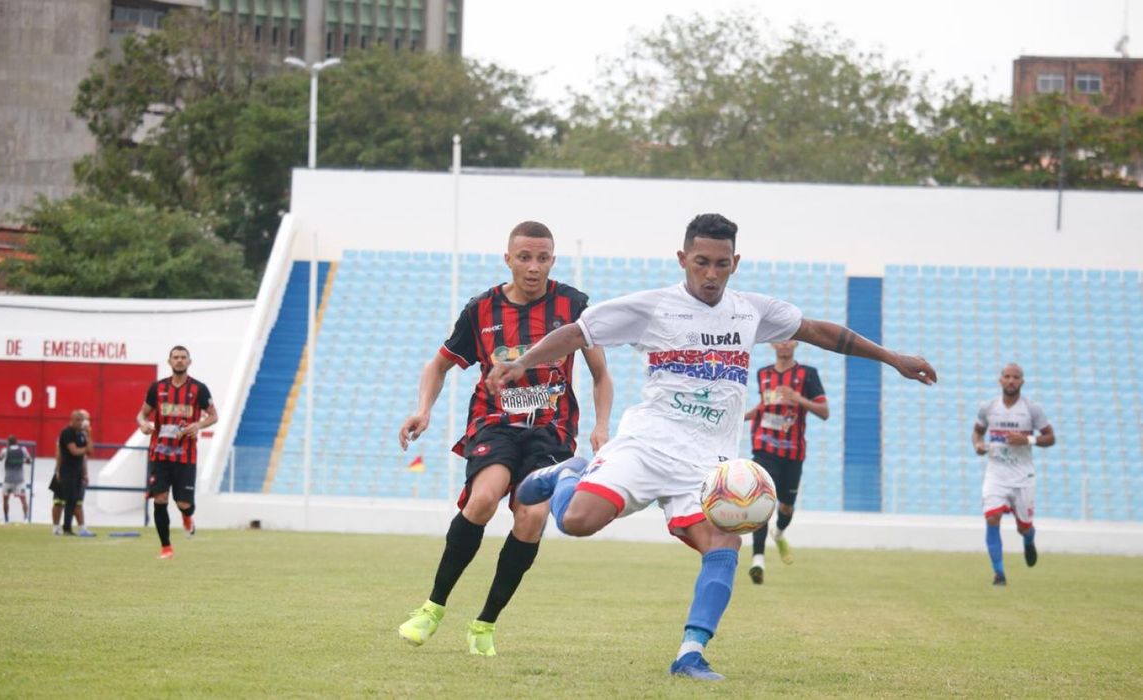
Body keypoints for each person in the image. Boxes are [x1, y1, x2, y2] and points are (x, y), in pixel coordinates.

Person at [491, 213, 936, 681]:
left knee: (725, 543)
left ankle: (691, 653)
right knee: (578, 522)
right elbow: (578, 332)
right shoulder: (652, 307)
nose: (710, 274)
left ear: (735, 263)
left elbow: (820, 332)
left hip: (707, 465)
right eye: (700, 262)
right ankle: (567, 474)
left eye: (721, 264)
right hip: (647, 444)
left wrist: (892, 358)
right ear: (683, 259)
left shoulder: (751, 311)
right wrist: (525, 362)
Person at [396, 220, 613, 657]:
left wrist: (601, 426)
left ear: (552, 259)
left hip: (552, 430)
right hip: (493, 423)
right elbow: (437, 365)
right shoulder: (481, 310)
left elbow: (601, 374)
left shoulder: (574, 305)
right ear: (508, 258)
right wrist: (424, 409)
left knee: (530, 519)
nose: (534, 267)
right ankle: (432, 608)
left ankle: (485, 624)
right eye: (525, 257)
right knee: (482, 501)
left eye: (543, 258)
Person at [742, 340, 829, 584]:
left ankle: (779, 533)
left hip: (793, 452)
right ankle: (757, 560)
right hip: (764, 448)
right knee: (761, 502)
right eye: (779, 340)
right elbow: (764, 407)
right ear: (772, 344)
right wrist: (740, 417)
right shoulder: (763, 374)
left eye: (789, 340)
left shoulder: (808, 374)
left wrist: (797, 398)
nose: (784, 345)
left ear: (796, 343)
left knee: (786, 507)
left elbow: (824, 412)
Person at [972, 363, 1054, 586]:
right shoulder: (988, 407)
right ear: (1000, 380)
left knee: (1023, 526)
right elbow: (977, 431)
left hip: (1022, 476)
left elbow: (1050, 437)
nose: (1010, 381)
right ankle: (999, 574)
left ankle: (1029, 539)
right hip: (996, 474)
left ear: (1022, 382)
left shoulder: (1032, 409)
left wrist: (1028, 439)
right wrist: (978, 444)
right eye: (1007, 376)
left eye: (1015, 377)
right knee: (992, 517)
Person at [138, 345, 218, 560]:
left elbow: (213, 416)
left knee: (184, 503)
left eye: (183, 357)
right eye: (176, 357)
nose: (180, 361)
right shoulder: (157, 388)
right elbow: (142, 415)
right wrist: (143, 425)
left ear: (189, 362)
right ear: (169, 361)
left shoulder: (199, 389)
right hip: (159, 454)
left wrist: (198, 425)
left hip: (186, 456)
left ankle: (186, 517)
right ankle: (166, 547)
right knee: (160, 499)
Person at [54, 410, 93, 536]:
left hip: (78, 472)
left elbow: (90, 450)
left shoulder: (82, 434)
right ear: (71, 419)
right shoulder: (67, 433)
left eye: (82, 420)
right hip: (67, 470)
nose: (80, 423)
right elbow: (74, 451)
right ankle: (64, 527)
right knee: (65, 500)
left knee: (75, 500)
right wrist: (57, 470)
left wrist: (88, 434)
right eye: (78, 420)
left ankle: (68, 527)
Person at [0, 435, 33, 524]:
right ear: (16, 442)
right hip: (19, 480)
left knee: (5, 499)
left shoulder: (5, 450)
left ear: (8, 442)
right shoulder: (23, 450)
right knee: (23, 499)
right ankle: (25, 519)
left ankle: (6, 519)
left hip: (8, 479)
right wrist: (21, 461)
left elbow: (0, 458)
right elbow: (29, 461)